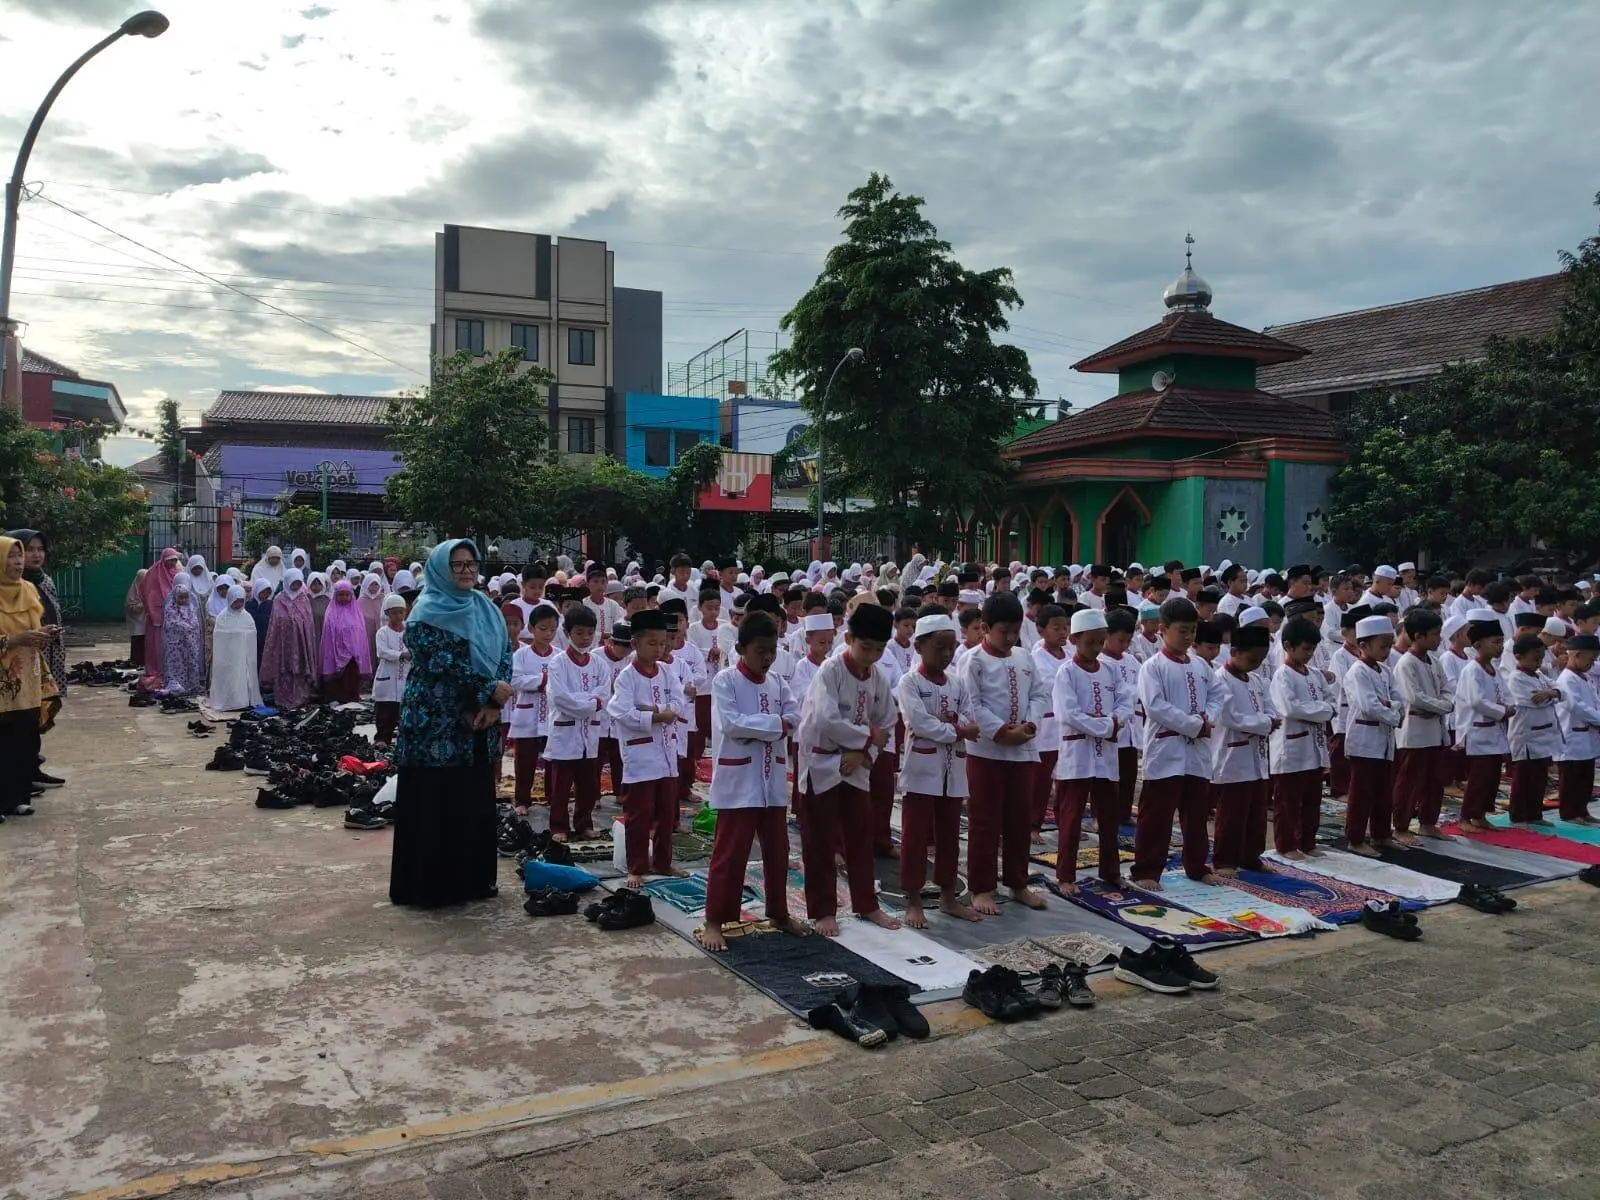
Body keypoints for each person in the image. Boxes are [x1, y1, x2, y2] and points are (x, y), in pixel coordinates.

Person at [389, 540, 514, 908]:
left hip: (477, 721)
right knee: (434, 800)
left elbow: (505, 653)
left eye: (470, 563)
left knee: (471, 798)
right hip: (434, 723)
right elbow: (441, 663)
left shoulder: (486, 609)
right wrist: (491, 691)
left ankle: (472, 881)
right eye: (457, 565)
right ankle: (430, 887)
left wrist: (494, 701)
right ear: (441, 569)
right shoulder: (423, 613)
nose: (466, 571)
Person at [699, 612, 808, 951]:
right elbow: (732, 725)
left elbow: (795, 716)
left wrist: (764, 726)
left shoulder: (778, 682)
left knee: (778, 852)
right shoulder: (726, 681)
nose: (766, 657)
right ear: (742, 648)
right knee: (730, 854)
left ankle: (778, 911)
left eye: (771, 650)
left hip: (772, 780)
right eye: (760, 650)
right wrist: (775, 726)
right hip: (739, 781)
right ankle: (715, 920)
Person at [794, 602, 901, 936]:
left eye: (879, 649)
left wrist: (865, 750)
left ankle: (866, 904)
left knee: (860, 836)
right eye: (865, 647)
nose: (870, 655)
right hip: (822, 760)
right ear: (849, 638)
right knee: (820, 839)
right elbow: (827, 719)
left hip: (857, 764)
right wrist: (866, 738)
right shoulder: (830, 671)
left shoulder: (877, 676)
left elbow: (888, 719)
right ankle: (823, 910)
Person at [960, 591, 1052, 914]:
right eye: (1004, 632)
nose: (1011, 638)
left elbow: (1040, 694)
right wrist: (1001, 732)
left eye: (1015, 631)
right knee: (984, 820)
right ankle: (981, 887)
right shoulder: (973, 660)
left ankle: (1017, 882)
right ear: (985, 627)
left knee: (1018, 819)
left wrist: (1030, 724)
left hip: (1022, 750)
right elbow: (972, 705)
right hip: (986, 752)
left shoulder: (1024, 658)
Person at [897, 610, 981, 929]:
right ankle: (914, 899)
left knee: (949, 836)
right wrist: (956, 729)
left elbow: (970, 719)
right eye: (939, 648)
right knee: (915, 836)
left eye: (950, 648)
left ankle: (948, 896)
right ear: (919, 647)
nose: (946, 655)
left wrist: (950, 727)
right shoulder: (910, 682)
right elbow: (920, 723)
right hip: (921, 770)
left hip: (953, 770)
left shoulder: (958, 683)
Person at [1132, 596, 1217, 889]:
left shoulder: (1202, 666)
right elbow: (1155, 706)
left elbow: (1218, 696)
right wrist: (1195, 725)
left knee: (1196, 814)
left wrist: (1210, 716)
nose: (1189, 636)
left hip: (1197, 752)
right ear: (1163, 630)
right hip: (1166, 750)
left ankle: (1196, 865)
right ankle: (1146, 870)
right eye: (1182, 630)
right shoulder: (1152, 667)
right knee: (1157, 815)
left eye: (1192, 630)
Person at [606, 609, 688, 886]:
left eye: (662, 643)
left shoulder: (666, 671)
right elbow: (620, 711)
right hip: (640, 755)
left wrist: (663, 711)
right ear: (635, 644)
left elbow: (679, 701)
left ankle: (664, 862)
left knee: (667, 812)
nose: (658, 649)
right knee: (638, 814)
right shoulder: (627, 676)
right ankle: (637, 866)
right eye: (652, 643)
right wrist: (653, 715)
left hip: (666, 752)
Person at [1052, 608, 1132, 891]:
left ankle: (1110, 871)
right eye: (1091, 642)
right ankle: (1066, 876)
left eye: (1101, 642)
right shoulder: (1067, 672)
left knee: (1109, 818)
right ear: (1074, 639)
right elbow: (1068, 714)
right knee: (1071, 818)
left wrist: (1114, 722)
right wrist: (1106, 727)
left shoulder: (1110, 669)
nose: (1097, 648)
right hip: (1078, 756)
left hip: (1106, 756)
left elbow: (1126, 702)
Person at [1209, 624, 1276, 875]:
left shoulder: (1257, 680)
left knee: (1256, 811)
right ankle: (1225, 859)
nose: (1256, 664)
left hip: (1256, 754)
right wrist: (1266, 723)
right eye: (1252, 658)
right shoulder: (1220, 680)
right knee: (1232, 813)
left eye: (1260, 659)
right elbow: (1231, 718)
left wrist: (1265, 721)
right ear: (1234, 651)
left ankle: (1251, 856)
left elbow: (1272, 709)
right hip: (1232, 755)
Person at [0, 535, 57, 818]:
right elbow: (15, 637)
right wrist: (14, 640)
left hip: (28, 678)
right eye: (11, 556)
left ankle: (17, 797)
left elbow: (33, 631)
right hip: (2, 680)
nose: (18, 561)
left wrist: (42, 636)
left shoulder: (29, 591)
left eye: (19, 556)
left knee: (23, 738)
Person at [1268, 617, 1335, 859]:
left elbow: (1332, 703)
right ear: (1288, 645)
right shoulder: (1282, 676)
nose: (1310, 654)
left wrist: (1317, 710)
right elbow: (1291, 709)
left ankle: (1308, 842)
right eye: (1305, 649)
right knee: (1288, 802)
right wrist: (1320, 710)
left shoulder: (1315, 674)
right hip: (1291, 748)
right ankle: (1286, 845)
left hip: (1314, 746)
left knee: (1312, 800)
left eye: (1312, 649)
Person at [545, 606, 610, 842]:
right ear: (568, 633)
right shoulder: (557, 663)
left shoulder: (599, 664)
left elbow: (604, 694)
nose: (585, 638)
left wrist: (585, 702)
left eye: (589, 633)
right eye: (579, 633)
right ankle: (558, 826)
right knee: (561, 785)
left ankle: (584, 823)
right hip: (565, 733)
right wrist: (589, 702)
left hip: (590, 733)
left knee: (589, 785)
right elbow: (561, 698)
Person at [1341, 614, 1404, 857]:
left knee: (1382, 791)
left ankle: (1381, 834)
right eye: (1382, 646)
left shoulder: (1386, 671)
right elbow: (1369, 705)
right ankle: (1355, 838)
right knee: (1361, 793)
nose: (1387, 651)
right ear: (1363, 645)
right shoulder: (1358, 672)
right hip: (1365, 740)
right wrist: (1392, 713)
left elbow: (1398, 699)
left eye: (1390, 645)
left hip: (1384, 739)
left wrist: (1390, 706)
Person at [1392, 610, 1452, 841]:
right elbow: (1414, 697)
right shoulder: (1406, 664)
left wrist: (1443, 704)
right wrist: (1442, 705)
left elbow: (1447, 689)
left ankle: (1428, 822)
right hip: (1415, 730)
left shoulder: (1434, 662)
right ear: (1419, 635)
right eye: (1435, 634)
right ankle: (1401, 826)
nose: (1439, 639)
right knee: (1409, 782)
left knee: (1433, 781)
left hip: (1435, 728)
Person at [1454, 619, 1513, 832]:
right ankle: (1466, 817)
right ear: (1478, 644)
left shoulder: (1493, 669)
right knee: (1478, 778)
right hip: (1478, 732)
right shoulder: (1473, 669)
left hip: (1494, 731)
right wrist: (1502, 711)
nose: (1499, 646)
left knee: (1492, 777)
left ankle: (1480, 815)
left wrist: (1509, 705)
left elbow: (1506, 693)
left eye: (1500, 642)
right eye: (1495, 642)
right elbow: (1476, 701)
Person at [10, 530, 66, 736]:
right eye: (30, 550)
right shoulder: (11, 586)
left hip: (51, 652)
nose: (37, 555)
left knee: (42, 709)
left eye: (40, 549)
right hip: (20, 658)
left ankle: (33, 759)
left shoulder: (45, 580)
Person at [1506, 632, 1561, 826]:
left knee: (1539, 777)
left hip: (1543, 735)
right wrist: (1551, 697)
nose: (1538, 663)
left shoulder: (1539, 677)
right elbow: (1533, 702)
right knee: (1523, 778)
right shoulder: (1516, 678)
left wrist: (1550, 693)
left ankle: (1535, 814)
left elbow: (1561, 691)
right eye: (1534, 659)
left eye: (1540, 659)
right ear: (1519, 656)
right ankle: (1519, 815)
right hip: (1526, 735)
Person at [509, 603, 558, 813]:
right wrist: (544, 680)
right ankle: (522, 800)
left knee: (554, 759)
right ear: (531, 629)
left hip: (552, 714)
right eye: (543, 629)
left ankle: (553, 797)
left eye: (552, 629)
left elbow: (564, 681)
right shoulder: (521, 654)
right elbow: (515, 680)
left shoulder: (560, 655)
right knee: (525, 760)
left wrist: (545, 683)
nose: (548, 634)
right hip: (527, 715)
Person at [1030, 603, 1071, 843]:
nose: (1063, 633)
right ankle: (1032, 825)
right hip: (1045, 727)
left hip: (1067, 726)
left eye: (1065, 627)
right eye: (1056, 628)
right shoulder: (1036, 659)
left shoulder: (1072, 657)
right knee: (1040, 781)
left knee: (1066, 779)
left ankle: (1064, 822)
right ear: (1041, 630)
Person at [1555, 634, 1600, 825]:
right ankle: (1569, 812)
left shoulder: (1586, 678)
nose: (1592, 663)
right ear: (1578, 655)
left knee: (1585, 776)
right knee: (1571, 777)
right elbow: (1577, 706)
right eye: (1591, 659)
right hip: (1572, 735)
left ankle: (1582, 809)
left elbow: (1595, 702)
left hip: (1588, 736)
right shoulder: (1567, 679)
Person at [259, 570, 319, 710]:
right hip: (282, 642)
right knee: (284, 670)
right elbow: (275, 622)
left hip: (301, 642)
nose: (296, 586)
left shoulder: (304, 599)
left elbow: (308, 622)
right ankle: (283, 699)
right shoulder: (279, 599)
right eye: (293, 583)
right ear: (287, 582)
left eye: (299, 583)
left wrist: (297, 623)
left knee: (300, 670)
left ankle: (301, 698)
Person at [208, 584, 264, 712]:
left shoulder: (247, 616)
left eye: (241, 601)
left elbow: (252, 633)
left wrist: (241, 635)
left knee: (243, 678)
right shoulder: (223, 616)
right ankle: (230, 701)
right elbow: (219, 636)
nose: (238, 604)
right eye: (236, 601)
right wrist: (237, 635)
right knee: (230, 678)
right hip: (229, 656)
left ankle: (243, 701)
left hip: (244, 656)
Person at [319, 580, 372, 703]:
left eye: (346, 594)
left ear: (351, 595)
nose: (344, 597)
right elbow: (328, 636)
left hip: (352, 656)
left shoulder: (356, 613)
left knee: (351, 681)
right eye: (340, 594)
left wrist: (354, 650)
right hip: (334, 653)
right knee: (336, 683)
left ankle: (351, 702)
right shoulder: (331, 613)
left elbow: (360, 635)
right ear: (335, 595)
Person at [373, 593, 409, 747]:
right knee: (385, 710)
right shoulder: (382, 633)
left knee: (405, 709)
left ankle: (405, 740)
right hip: (387, 676)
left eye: (401, 612)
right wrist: (401, 655)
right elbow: (382, 652)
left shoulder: (410, 630)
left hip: (406, 676)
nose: (398, 616)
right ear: (387, 613)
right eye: (394, 612)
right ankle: (382, 738)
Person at [160, 578, 207, 697]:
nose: (184, 600)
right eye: (181, 597)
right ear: (175, 596)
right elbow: (171, 623)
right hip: (175, 644)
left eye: (186, 597)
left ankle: (192, 686)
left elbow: (196, 623)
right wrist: (185, 627)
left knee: (191, 663)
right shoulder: (170, 608)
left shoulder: (191, 607)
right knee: (177, 664)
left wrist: (189, 628)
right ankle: (177, 686)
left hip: (190, 643)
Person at [247, 579, 274, 668]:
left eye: (268, 592)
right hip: (251, 640)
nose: (265, 594)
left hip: (267, 640)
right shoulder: (249, 605)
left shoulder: (271, 605)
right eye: (263, 592)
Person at [126, 569, 149, 668]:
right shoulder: (133, 591)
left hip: (148, 621)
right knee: (137, 641)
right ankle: (136, 661)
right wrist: (142, 604)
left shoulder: (150, 589)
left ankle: (146, 662)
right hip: (137, 622)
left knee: (147, 642)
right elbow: (131, 607)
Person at [307, 572, 331, 651]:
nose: (316, 587)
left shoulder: (327, 601)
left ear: (323, 585)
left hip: (323, 634)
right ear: (309, 584)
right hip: (307, 634)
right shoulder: (304, 600)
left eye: (319, 584)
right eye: (313, 584)